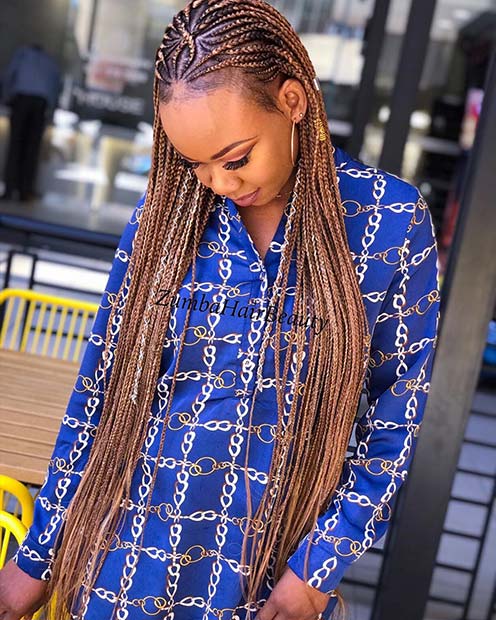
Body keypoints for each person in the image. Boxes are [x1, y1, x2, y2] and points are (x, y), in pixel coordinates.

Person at [0, 1, 441, 619]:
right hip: (118, 566)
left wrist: (316, 570)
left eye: (235, 158)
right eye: (195, 163)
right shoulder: (163, 222)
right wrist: (38, 554)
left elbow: (393, 422)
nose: (219, 183)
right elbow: (98, 398)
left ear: (292, 100)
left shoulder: (388, 223)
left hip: (265, 581)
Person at [0, 43, 62, 201]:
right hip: (40, 104)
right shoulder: (49, 61)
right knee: (32, 149)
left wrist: (7, 98)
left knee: (15, 146)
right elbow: (55, 85)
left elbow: (8, 76)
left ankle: (9, 189)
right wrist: (51, 110)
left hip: (22, 100)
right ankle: (24, 191)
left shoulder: (22, 55)